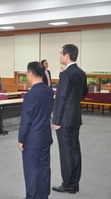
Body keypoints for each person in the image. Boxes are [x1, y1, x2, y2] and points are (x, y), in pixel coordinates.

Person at [52, 44, 88, 194]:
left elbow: (61, 98)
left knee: (66, 152)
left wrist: (56, 120)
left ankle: (68, 184)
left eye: (61, 53)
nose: (60, 55)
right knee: (74, 151)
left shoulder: (66, 74)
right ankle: (75, 183)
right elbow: (84, 92)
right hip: (75, 117)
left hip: (65, 119)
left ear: (67, 56)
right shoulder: (81, 72)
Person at [18, 61, 54, 199]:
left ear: (31, 74)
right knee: (44, 168)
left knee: (32, 170)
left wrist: (21, 139)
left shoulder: (31, 94)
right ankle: (43, 195)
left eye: (27, 72)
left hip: (32, 139)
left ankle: (32, 196)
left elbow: (26, 120)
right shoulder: (48, 90)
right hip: (45, 135)